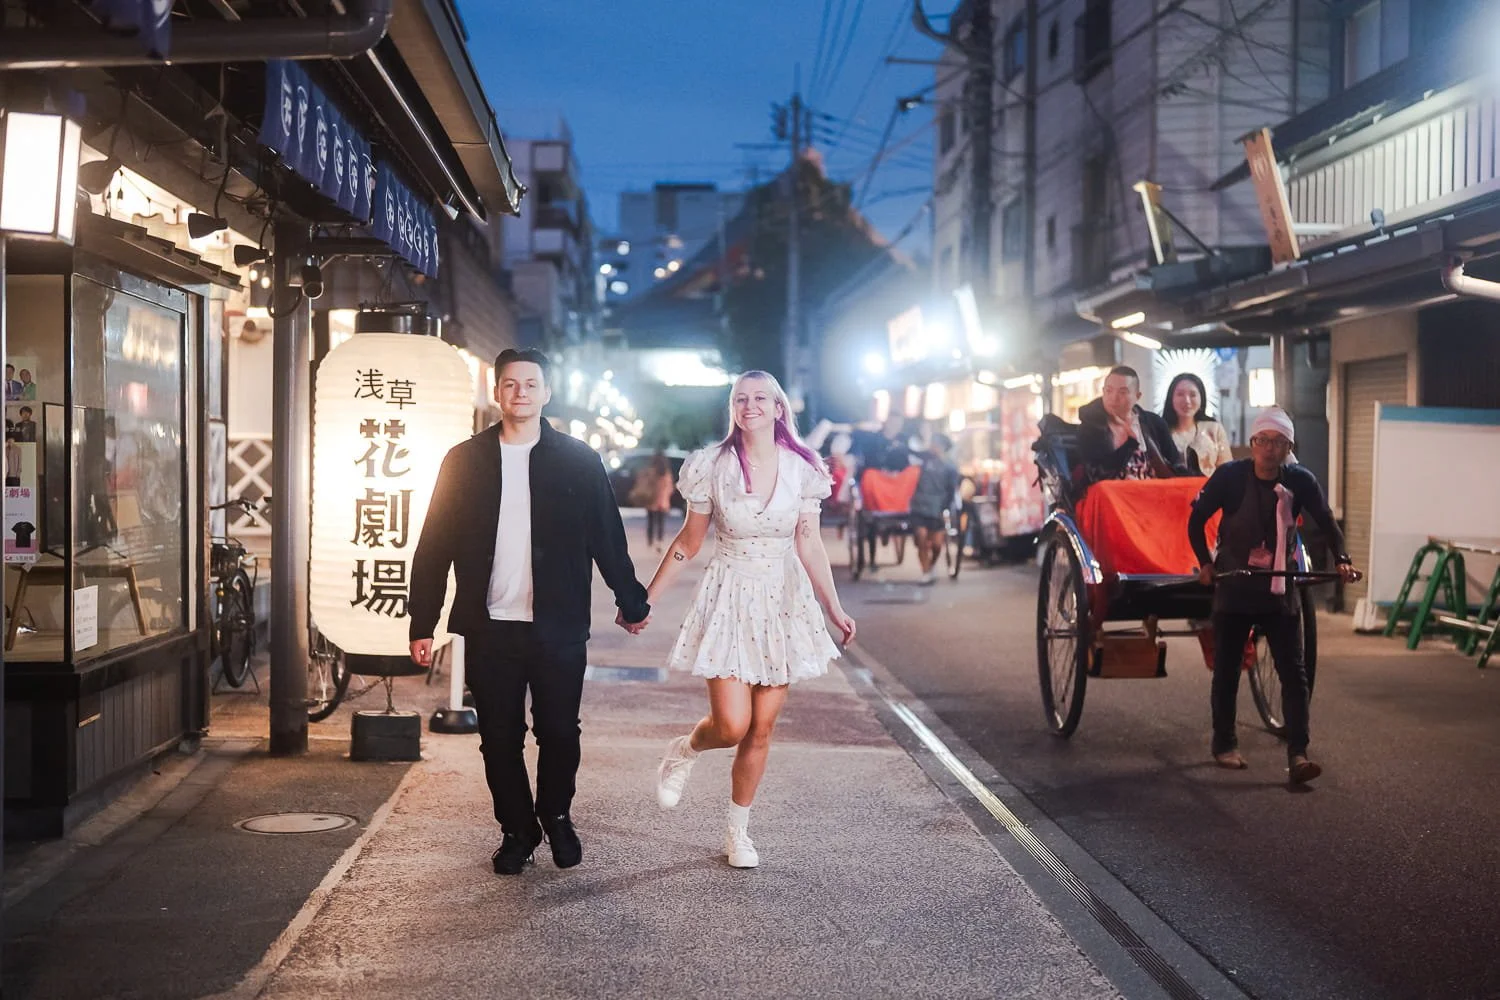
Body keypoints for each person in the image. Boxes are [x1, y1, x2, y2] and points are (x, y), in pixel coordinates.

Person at [408, 347, 652, 876]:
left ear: (547, 392)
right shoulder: (464, 460)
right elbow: (434, 543)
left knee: (561, 732)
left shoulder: (579, 460)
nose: (520, 392)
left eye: (531, 384)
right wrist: (421, 620)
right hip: (490, 625)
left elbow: (607, 538)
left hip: (558, 626)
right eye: (511, 384)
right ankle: (517, 830)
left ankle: (557, 815)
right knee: (498, 737)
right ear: (497, 392)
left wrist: (630, 600)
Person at [647, 370, 857, 869]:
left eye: (761, 398)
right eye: (741, 398)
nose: (751, 405)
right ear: (733, 409)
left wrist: (833, 607)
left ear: (779, 408)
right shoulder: (711, 467)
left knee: (761, 728)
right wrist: (645, 599)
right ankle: (687, 747)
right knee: (732, 724)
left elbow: (809, 542)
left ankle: (737, 832)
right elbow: (689, 543)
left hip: (783, 600)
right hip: (730, 595)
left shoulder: (804, 468)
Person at [1187, 407, 1358, 784]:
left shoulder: (1300, 480)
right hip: (1235, 586)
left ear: (1288, 448)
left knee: (1294, 673)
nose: (1268, 449)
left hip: (1280, 589)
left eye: (1277, 442)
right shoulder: (1230, 476)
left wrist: (1343, 560)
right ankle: (1224, 743)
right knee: (1228, 667)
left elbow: (1326, 522)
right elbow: (1196, 520)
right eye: (1262, 441)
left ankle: (1298, 753)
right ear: (1252, 444)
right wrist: (1204, 563)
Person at [1078, 365, 1187, 483]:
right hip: (1112, 496)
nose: (1114, 398)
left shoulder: (1154, 423)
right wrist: (1128, 445)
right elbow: (1095, 476)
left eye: (1123, 392)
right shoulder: (1091, 427)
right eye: (1109, 391)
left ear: (1137, 396)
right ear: (1103, 392)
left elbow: (1176, 466)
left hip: (1154, 492)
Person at [910, 432, 961, 584]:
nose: (934, 447)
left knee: (937, 544)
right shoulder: (923, 460)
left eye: (937, 445)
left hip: (938, 507)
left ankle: (932, 566)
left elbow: (952, 490)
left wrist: (946, 508)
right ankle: (925, 571)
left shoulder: (950, 467)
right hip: (919, 504)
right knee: (921, 536)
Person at [1162, 372, 1233, 476]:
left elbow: (1227, 469)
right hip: (1173, 490)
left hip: (1211, 490)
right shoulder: (1161, 430)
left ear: (1201, 398)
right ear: (1171, 398)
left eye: (1193, 395)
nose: (1186, 400)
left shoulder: (1214, 429)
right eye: (1180, 394)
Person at [642, 450, 674, 550]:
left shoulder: (651, 471)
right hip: (662, 500)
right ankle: (659, 541)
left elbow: (646, 485)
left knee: (651, 521)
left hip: (651, 500)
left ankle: (650, 541)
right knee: (660, 522)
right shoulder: (666, 472)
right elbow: (669, 488)